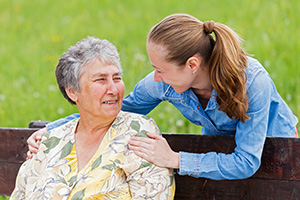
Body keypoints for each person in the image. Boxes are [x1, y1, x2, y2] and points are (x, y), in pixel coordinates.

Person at [27, 14, 298, 181]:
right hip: (219, 151)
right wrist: (53, 129)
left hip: (278, 152)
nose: (155, 78)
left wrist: (175, 159)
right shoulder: (164, 83)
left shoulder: (252, 81)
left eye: (160, 70)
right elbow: (113, 110)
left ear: (192, 66)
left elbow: (247, 162)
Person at [11, 36, 175, 200]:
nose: (113, 89)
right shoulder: (50, 141)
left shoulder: (138, 132)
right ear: (72, 92)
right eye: (101, 79)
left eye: (117, 78)